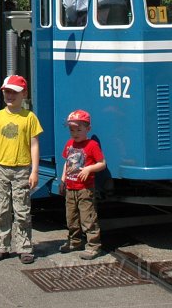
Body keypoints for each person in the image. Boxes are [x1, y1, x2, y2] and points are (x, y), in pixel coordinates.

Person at [0, 74, 43, 265]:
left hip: (22, 169)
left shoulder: (29, 118)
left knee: (22, 210)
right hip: (1, 168)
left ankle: (24, 247)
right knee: (0, 210)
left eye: (14, 92)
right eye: (6, 92)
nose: (9, 96)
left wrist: (35, 170)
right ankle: (1, 246)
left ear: (24, 94)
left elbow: (34, 145)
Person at [59, 109, 106, 259]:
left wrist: (89, 168)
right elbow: (66, 163)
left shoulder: (91, 145)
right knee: (71, 217)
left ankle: (93, 246)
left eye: (79, 129)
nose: (75, 133)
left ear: (88, 129)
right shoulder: (69, 144)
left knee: (88, 218)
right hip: (71, 188)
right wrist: (62, 180)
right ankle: (75, 241)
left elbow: (102, 164)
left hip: (85, 189)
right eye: (72, 129)